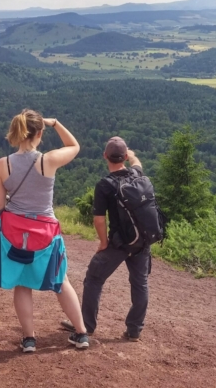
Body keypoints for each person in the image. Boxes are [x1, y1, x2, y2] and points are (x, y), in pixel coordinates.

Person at [0, 109, 89, 353]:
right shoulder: (49, 160)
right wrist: (55, 122)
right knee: (61, 281)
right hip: (46, 232)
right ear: (40, 133)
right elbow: (74, 146)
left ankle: (29, 339)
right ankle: (81, 333)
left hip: (14, 234)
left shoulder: (3, 165)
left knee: (22, 284)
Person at [62, 137, 150, 341]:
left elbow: (99, 220)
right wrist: (132, 154)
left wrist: (103, 243)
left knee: (94, 278)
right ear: (125, 157)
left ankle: (86, 325)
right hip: (142, 239)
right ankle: (134, 330)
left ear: (105, 156)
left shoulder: (105, 184)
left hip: (119, 242)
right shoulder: (136, 174)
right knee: (140, 283)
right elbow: (137, 164)